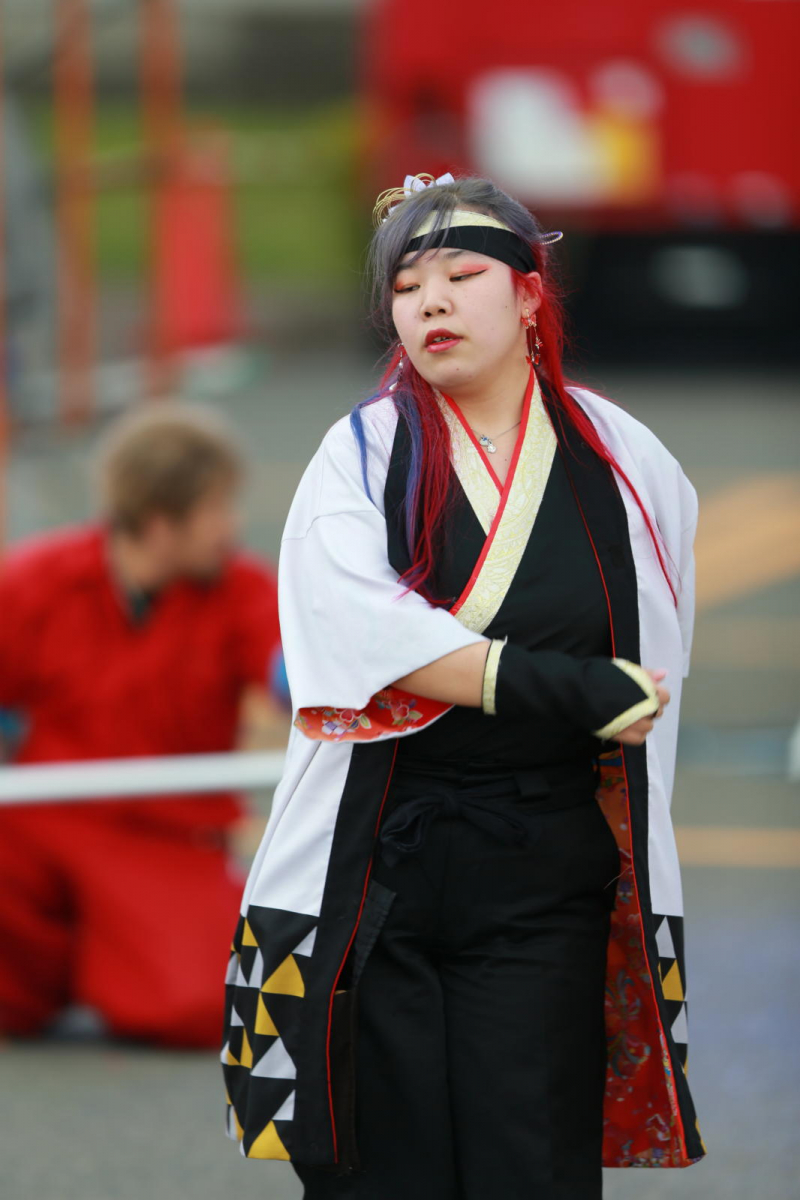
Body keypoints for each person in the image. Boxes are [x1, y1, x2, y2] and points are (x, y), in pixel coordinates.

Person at [220, 173, 705, 1197]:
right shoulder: (363, 451)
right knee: (376, 1168)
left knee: (529, 1165)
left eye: (461, 272)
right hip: (383, 861)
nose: (430, 300)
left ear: (530, 294)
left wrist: (596, 698)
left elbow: (656, 666)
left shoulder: (628, 463)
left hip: (545, 868)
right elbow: (353, 637)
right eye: (405, 286)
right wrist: (558, 685)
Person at [0, 404, 284, 1048]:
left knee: (190, 1010)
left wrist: (313, 672)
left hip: (169, 830)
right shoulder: (37, 580)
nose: (231, 527)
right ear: (161, 523)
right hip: (47, 819)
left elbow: (285, 664)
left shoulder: (240, 589)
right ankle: (46, 983)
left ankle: (111, 958)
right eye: (216, 509)